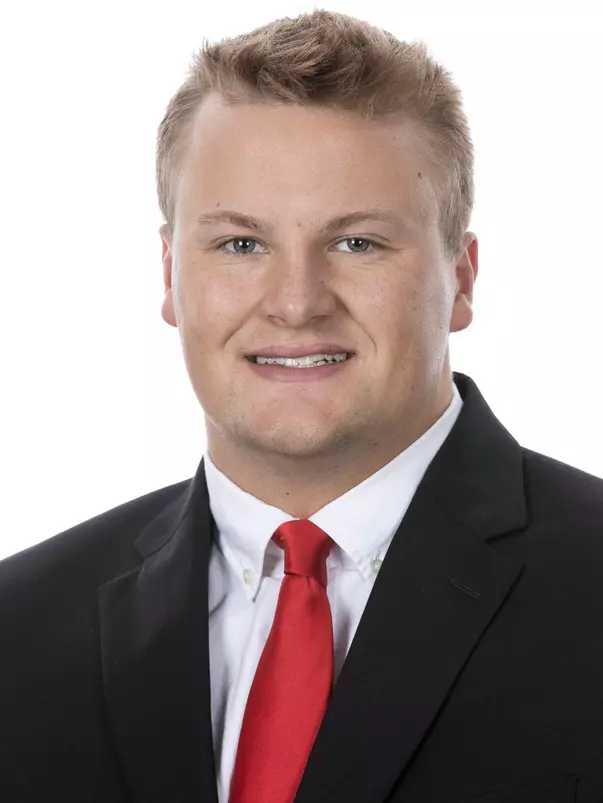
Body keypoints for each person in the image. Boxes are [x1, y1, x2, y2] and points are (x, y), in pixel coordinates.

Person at [1, 8, 602, 803]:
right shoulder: (20, 629)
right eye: (240, 244)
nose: (294, 303)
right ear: (170, 274)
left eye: (357, 242)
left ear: (461, 278)